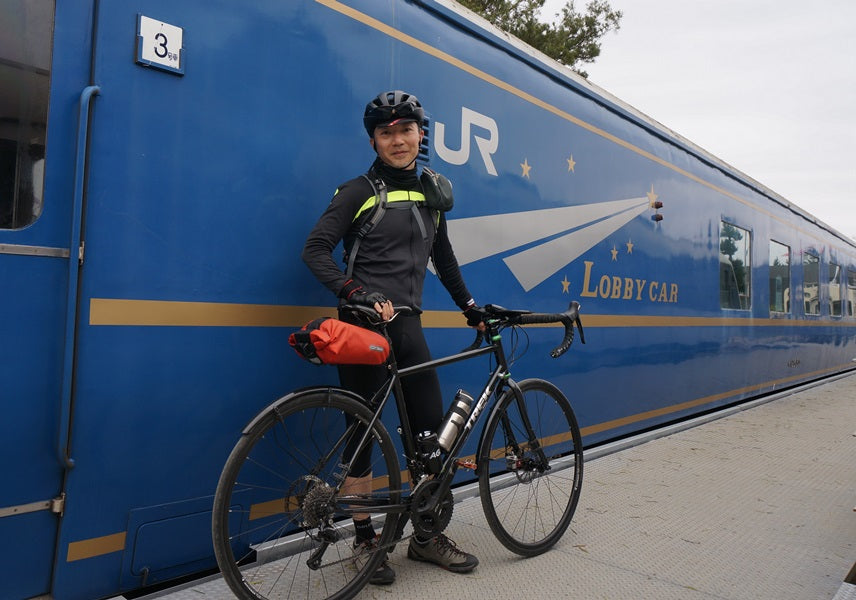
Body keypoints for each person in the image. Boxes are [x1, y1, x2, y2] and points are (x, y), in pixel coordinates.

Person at [302, 90, 486, 584]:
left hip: (408, 329)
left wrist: (471, 309)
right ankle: (366, 542)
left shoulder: (431, 195)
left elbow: (443, 260)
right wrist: (354, 291)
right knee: (360, 438)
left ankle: (424, 537)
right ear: (374, 140)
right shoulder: (357, 191)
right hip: (363, 329)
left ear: (420, 135)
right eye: (387, 133)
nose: (398, 140)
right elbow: (316, 250)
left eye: (406, 130)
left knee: (428, 440)